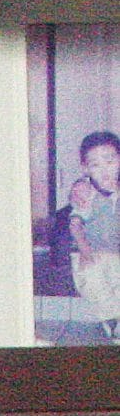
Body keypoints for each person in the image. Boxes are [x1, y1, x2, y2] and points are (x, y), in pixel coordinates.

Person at [41, 130, 120, 334]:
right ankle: (111, 319)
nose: (105, 170)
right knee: (93, 280)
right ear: (85, 169)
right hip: (91, 252)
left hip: (115, 253)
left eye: (110, 161)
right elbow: (75, 224)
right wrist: (85, 251)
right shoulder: (86, 194)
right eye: (95, 165)